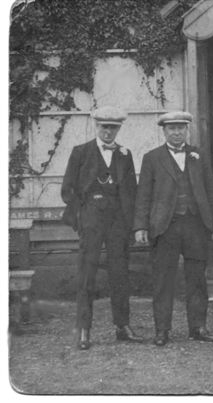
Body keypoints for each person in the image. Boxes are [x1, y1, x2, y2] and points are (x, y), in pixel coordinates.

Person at [133, 111, 213, 346]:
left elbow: (211, 190)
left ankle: (198, 327)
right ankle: (162, 330)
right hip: (165, 227)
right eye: (171, 128)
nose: (176, 132)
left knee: (197, 280)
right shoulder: (152, 158)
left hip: (195, 225)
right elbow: (143, 195)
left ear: (186, 130)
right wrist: (140, 226)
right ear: (164, 131)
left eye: (181, 128)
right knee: (163, 280)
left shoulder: (199, 155)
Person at [61, 106, 143, 350]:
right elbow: (68, 190)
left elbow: (131, 191)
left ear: (118, 129)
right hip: (91, 221)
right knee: (87, 275)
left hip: (118, 223)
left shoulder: (125, 155)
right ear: (97, 127)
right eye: (104, 127)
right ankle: (84, 329)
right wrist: (84, 215)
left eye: (113, 128)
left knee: (120, 273)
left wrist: (130, 222)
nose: (108, 132)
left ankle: (122, 326)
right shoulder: (81, 152)